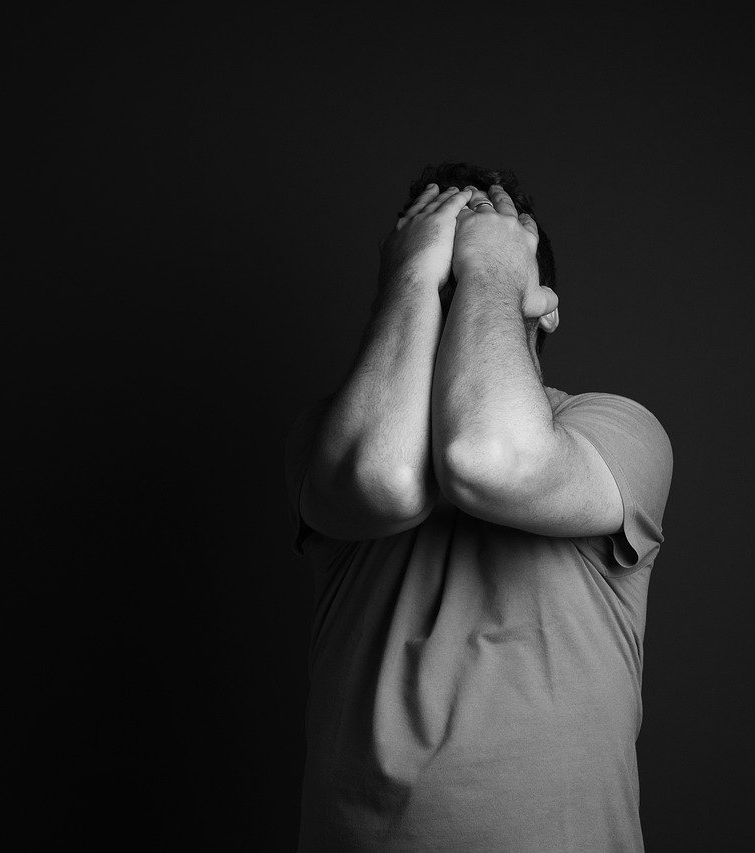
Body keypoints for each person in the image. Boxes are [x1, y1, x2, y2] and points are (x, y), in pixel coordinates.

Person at [285, 163, 674, 851]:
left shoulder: (615, 429)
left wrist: (491, 269)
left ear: (546, 304)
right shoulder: (334, 437)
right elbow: (384, 479)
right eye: (442, 275)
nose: (460, 286)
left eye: (480, 269)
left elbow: (489, 458)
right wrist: (414, 279)